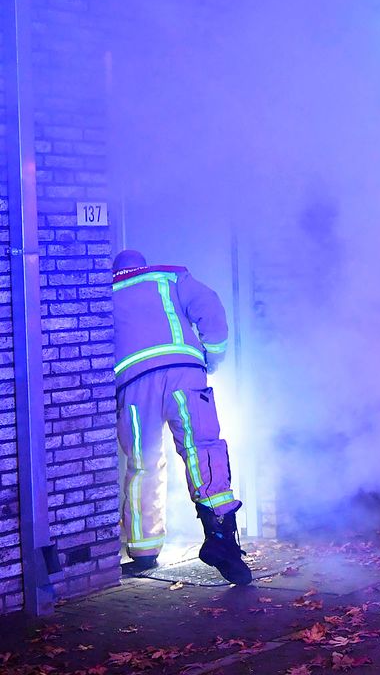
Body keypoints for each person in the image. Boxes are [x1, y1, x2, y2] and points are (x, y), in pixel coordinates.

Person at [112, 249, 251, 585]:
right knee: (201, 449)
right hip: (184, 374)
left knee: (143, 464)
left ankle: (143, 550)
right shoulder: (170, 277)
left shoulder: (104, 291)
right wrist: (212, 355)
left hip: (131, 385)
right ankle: (221, 539)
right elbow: (210, 307)